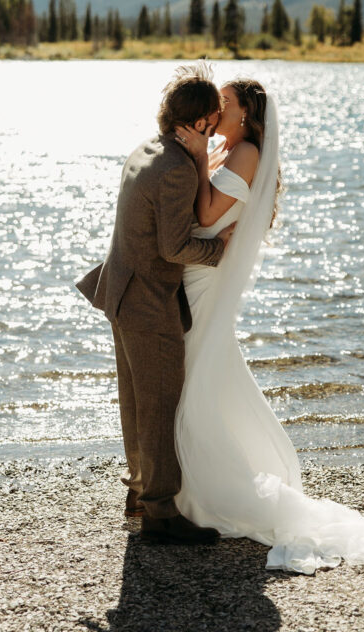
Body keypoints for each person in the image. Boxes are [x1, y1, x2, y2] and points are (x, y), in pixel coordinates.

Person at [173, 77, 364, 575]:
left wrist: (192, 153)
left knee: (196, 372)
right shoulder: (225, 150)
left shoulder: (246, 153)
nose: (215, 108)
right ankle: (183, 480)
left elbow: (207, 210)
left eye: (224, 104)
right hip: (196, 272)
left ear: (247, 116)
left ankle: (198, 486)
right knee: (202, 371)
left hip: (205, 281)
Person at [75, 63, 235, 546]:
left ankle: (140, 492)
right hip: (146, 301)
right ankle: (161, 515)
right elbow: (175, 248)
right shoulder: (176, 170)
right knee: (160, 403)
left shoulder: (148, 148)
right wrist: (219, 249)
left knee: (135, 403)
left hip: (118, 291)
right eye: (214, 119)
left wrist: (199, 156)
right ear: (202, 122)